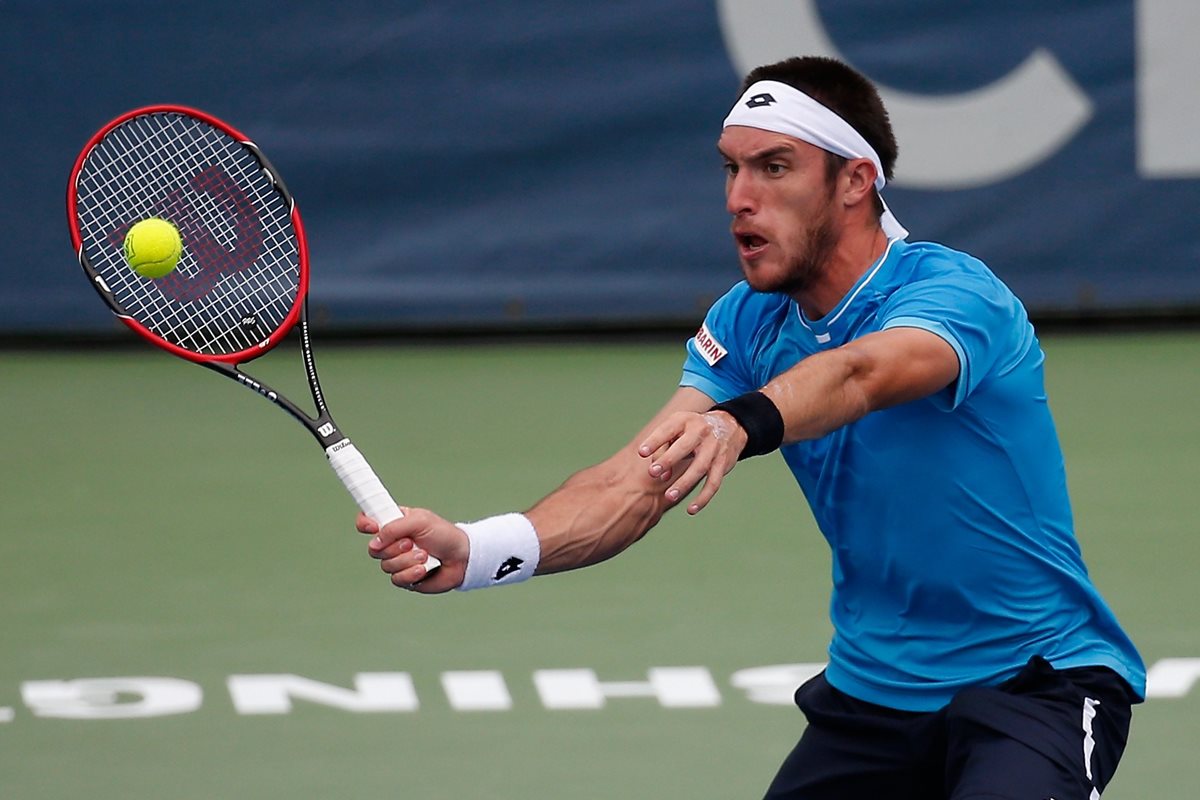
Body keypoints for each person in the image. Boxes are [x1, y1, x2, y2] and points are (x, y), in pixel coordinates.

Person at [358, 55, 1145, 799]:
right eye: (731, 168)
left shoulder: (954, 293)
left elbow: (861, 372)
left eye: (775, 167)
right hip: (873, 697)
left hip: (1034, 685)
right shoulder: (747, 323)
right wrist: (481, 549)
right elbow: (632, 481)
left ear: (855, 182)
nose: (740, 196)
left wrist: (746, 420)